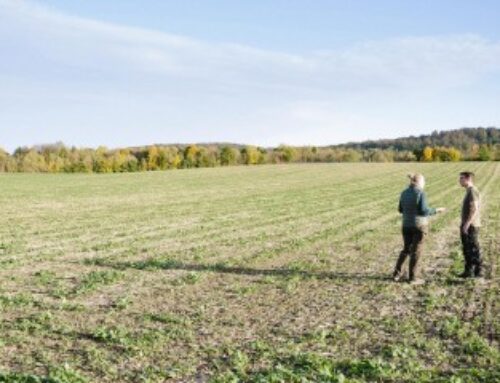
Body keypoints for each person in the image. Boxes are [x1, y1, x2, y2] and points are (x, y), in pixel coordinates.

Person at [393, 173, 445, 284]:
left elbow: (400, 209)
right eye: (424, 181)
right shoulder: (420, 193)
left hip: (406, 225)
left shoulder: (404, 193)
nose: (424, 183)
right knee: (416, 251)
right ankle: (412, 278)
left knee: (406, 249)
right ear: (420, 182)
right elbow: (424, 211)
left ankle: (396, 274)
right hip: (419, 226)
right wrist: (436, 210)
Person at [458, 171, 482, 278]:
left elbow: (474, 208)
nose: (460, 180)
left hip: (471, 225)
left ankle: (478, 272)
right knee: (467, 248)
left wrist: (467, 223)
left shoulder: (472, 191)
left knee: (473, 248)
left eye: (462, 178)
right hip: (468, 224)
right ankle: (468, 271)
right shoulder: (469, 191)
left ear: (468, 179)